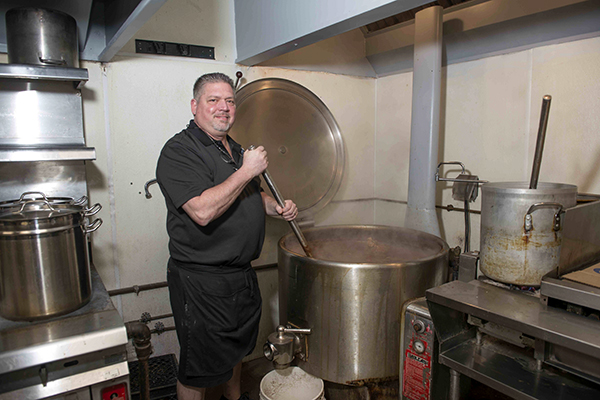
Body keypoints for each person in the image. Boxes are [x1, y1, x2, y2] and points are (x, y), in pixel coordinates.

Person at [156, 72, 298, 400]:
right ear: (195, 106)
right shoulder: (179, 151)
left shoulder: (234, 149)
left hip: (240, 275)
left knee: (236, 353)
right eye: (214, 100)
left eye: (230, 101)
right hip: (201, 279)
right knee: (200, 367)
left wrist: (275, 207)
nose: (224, 107)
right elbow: (203, 211)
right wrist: (247, 170)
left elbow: (251, 195)